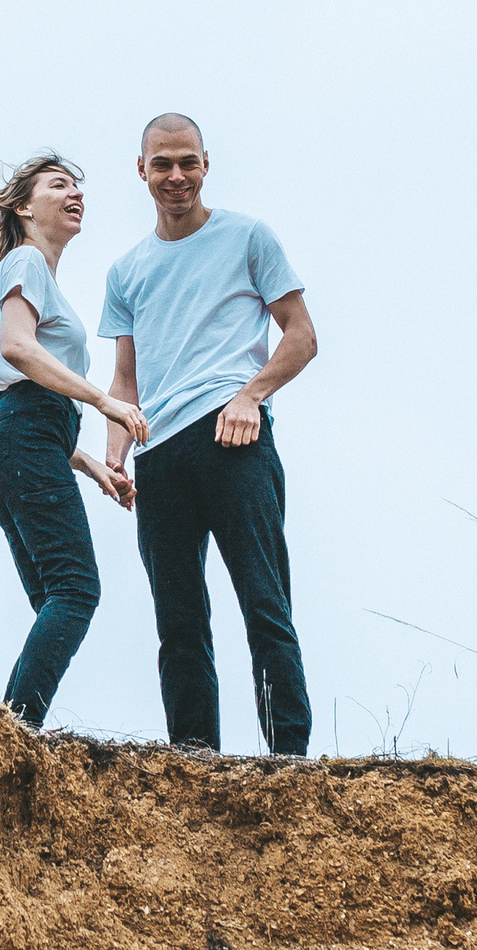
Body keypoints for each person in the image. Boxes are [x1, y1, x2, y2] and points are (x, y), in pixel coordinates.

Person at [98, 112, 317, 755]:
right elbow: (125, 379)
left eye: (187, 162)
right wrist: (115, 455)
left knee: (263, 601)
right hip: (159, 454)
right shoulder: (126, 271)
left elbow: (301, 337)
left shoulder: (248, 237)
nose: (176, 176)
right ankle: (193, 767)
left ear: (205, 164)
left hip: (233, 435)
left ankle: (291, 763)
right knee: (179, 623)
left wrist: (252, 395)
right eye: (162, 164)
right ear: (142, 171)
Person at [0, 153, 149, 729]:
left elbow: (32, 400)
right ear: (23, 206)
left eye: (79, 188)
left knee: (55, 599)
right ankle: (13, 730)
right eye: (59, 185)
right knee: (75, 590)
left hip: (16, 441)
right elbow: (18, 349)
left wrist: (91, 466)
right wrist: (104, 400)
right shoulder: (27, 260)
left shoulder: (40, 275)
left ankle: (10, 728)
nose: (76, 195)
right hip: (22, 435)